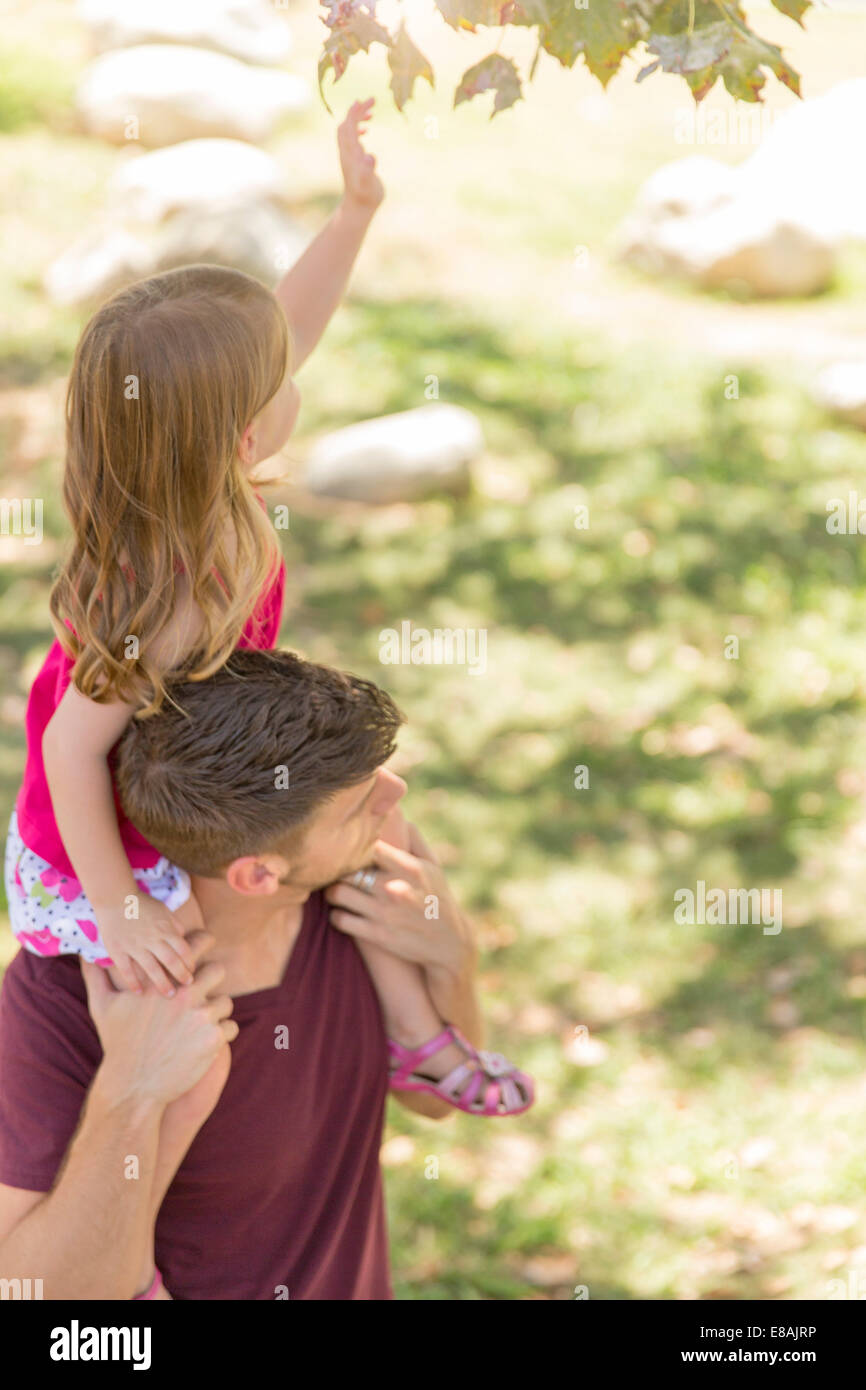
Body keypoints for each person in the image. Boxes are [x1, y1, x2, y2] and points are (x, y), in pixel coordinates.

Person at [3, 98, 528, 1104]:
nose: (297, 372)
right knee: (178, 1012)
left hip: (198, 771)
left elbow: (290, 322)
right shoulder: (167, 595)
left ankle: (413, 1036)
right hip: (110, 847)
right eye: (277, 380)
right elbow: (70, 750)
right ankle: (132, 1232)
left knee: (373, 831)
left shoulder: (200, 473)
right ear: (243, 437)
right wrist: (121, 909)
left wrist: (352, 212)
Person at [0, 649, 532, 1300]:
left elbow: (430, 1100)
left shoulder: (359, 902)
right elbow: (30, 1290)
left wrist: (454, 957)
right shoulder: (64, 1001)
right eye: (361, 800)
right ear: (258, 875)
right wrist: (133, 1092)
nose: (396, 794)